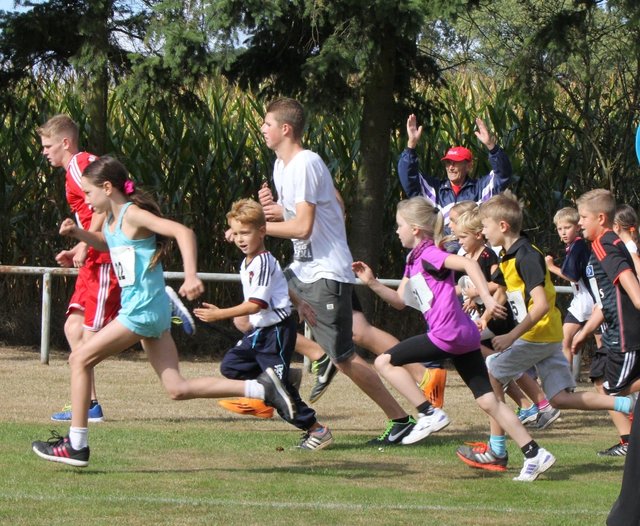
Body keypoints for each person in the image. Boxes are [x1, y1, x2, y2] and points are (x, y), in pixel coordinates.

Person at [31, 156, 296, 467]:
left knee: (79, 359)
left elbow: (184, 233)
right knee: (177, 389)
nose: (86, 201)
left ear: (107, 187)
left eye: (89, 194)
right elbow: (107, 243)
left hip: (141, 311)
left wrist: (192, 275)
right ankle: (262, 388)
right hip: (149, 311)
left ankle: (76, 445)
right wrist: (79, 236)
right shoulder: (116, 221)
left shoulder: (132, 214)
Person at [353, 196, 557, 481]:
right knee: (489, 402)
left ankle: (428, 412)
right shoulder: (414, 259)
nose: (395, 231)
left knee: (385, 361)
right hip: (465, 337)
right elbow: (400, 301)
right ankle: (535, 453)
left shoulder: (428, 253)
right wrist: (372, 283)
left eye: (399, 225)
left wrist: (485, 297)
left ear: (414, 229)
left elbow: (468, 265)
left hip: (447, 334)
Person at [256, 97, 416, 445]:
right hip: (303, 269)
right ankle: (316, 355)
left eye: (267, 124)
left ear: (285, 129)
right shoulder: (282, 167)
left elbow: (302, 227)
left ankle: (402, 418)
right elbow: (304, 214)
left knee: (345, 357)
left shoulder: (305, 163)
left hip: (324, 273)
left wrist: (256, 228)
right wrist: (268, 212)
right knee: (252, 310)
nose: (262, 129)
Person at [457, 191, 636, 476]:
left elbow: (539, 305)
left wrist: (513, 335)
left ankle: (499, 449)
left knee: (491, 372)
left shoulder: (527, 256)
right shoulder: (508, 255)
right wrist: (487, 316)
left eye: (486, 227)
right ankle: (627, 403)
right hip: (548, 335)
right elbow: (502, 290)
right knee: (559, 398)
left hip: (538, 334)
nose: (482, 232)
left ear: (503, 226)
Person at [193, 198, 332, 450]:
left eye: (245, 233)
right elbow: (280, 285)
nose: (240, 239)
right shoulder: (249, 262)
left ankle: (317, 430)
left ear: (262, 231)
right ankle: (283, 377)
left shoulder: (264, 262)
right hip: (261, 333)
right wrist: (298, 301)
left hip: (275, 334)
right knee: (232, 366)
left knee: (279, 395)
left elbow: (256, 304)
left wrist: (220, 313)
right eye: (235, 233)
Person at [37, 115, 120, 423]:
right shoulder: (79, 167)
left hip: (104, 260)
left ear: (65, 143)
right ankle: (91, 403)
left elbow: (107, 201)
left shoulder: (80, 164)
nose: (45, 152)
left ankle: (150, 317)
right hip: (92, 258)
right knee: (73, 328)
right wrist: (80, 245)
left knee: (90, 336)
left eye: (48, 146)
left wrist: (88, 244)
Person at [397, 114, 512, 231]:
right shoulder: (434, 189)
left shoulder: (481, 189)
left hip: (472, 248)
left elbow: (503, 175)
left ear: (469, 166)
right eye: (448, 163)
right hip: (441, 248)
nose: (450, 167)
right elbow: (408, 179)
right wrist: (411, 145)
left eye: (455, 163)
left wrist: (491, 146)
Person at [545, 207, 594, 370]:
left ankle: (567, 384)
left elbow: (572, 275)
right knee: (567, 341)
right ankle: (568, 384)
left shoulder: (577, 247)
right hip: (586, 299)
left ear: (578, 227)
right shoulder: (574, 246)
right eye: (560, 229)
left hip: (586, 300)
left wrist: (551, 267)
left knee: (565, 340)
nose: (563, 232)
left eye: (567, 228)